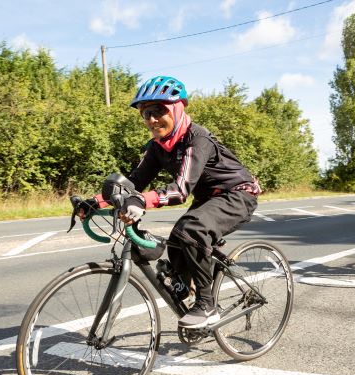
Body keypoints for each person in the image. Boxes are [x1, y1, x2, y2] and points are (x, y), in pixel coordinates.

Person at [77, 75, 260, 329]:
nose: (151, 119)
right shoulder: (157, 147)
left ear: (176, 109)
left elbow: (181, 190)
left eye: (158, 111)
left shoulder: (197, 139)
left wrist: (141, 201)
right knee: (177, 241)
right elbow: (134, 182)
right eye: (145, 114)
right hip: (209, 198)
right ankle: (186, 287)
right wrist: (95, 202)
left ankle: (207, 305)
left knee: (191, 231)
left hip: (238, 193)